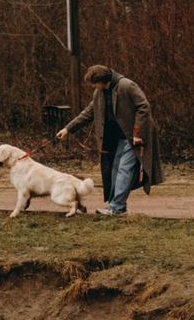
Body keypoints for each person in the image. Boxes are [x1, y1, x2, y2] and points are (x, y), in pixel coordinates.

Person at [57, 64, 163, 215]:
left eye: (94, 83)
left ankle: (117, 208)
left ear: (102, 80)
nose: (93, 86)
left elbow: (143, 107)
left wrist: (137, 132)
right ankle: (116, 206)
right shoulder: (99, 93)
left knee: (124, 170)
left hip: (135, 137)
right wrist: (68, 128)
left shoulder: (126, 85)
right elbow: (88, 113)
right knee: (114, 170)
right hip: (120, 137)